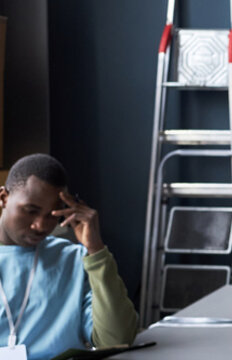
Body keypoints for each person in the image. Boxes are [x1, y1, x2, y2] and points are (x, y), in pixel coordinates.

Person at [0, 154, 138, 360]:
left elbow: (116, 339)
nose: (41, 226)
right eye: (30, 211)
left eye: (52, 215)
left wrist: (96, 250)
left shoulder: (75, 259)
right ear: (3, 198)